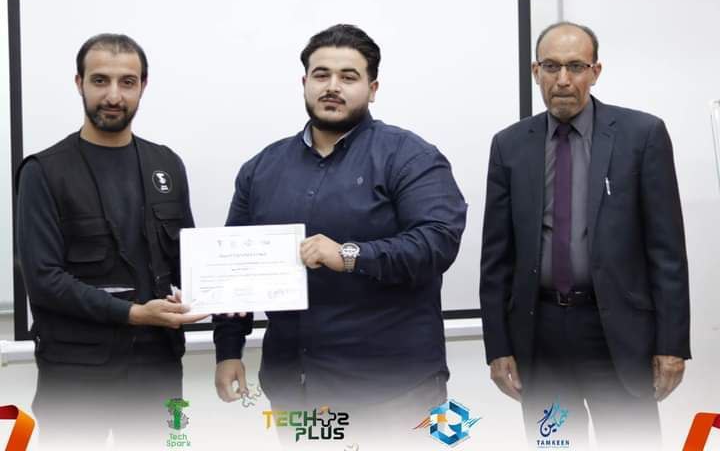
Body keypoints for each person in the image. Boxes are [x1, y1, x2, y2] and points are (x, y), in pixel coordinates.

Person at [213, 24, 467, 445]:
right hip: (294, 387)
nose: (332, 86)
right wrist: (227, 350)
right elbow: (233, 268)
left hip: (394, 392)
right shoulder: (261, 168)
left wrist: (350, 255)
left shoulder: (411, 157)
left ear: (373, 88)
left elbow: (438, 241)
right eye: (321, 75)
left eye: (348, 76)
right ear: (304, 82)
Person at [479, 22, 690, 449]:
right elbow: (496, 257)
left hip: (618, 335)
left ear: (596, 71)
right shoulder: (509, 145)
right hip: (541, 338)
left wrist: (672, 345)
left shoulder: (641, 136)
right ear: (535, 71)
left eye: (576, 66)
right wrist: (498, 348)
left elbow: (667, 251)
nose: (563, 79)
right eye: (551, 66)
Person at [16, 33, 206, 448]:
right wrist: (134, 314)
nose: (114, 96)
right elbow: (45, 281)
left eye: (127, 82)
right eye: (100, 80)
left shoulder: (166, 163)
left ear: (143, 86)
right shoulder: (43, 172)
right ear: (79, 83)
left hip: (158, 368)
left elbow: (189, 261)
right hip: (75, 374)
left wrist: (231, 289)